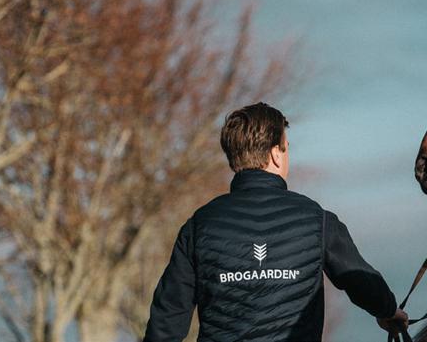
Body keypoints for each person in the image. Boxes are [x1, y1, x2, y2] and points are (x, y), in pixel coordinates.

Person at [144, 102, 408, 341]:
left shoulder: (199, 226)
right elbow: (359, 279)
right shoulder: (317, 220)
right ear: (275, 154)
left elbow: (167, 319)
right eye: (286, 147)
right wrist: (388, 310)